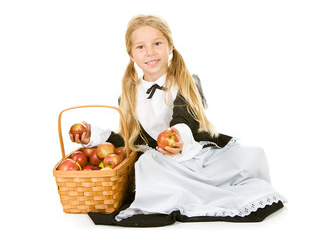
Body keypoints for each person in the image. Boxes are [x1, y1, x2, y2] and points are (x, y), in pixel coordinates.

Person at [70, 14, 286, 227]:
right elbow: (130, 137)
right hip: (163, 161)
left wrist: (178, 137)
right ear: (131, 55)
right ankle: (181, 191)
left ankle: (200, 189)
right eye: (141, 47)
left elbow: (185, 117)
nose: (150, 52)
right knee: (147, 163)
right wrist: (94, 136)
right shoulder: (129, 95)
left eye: (157, 43)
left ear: (170, 47)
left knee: (251, 155)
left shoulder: (185, 82)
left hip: (191, 151)